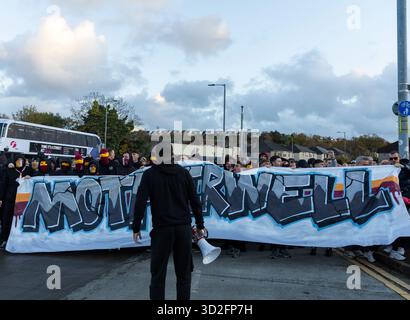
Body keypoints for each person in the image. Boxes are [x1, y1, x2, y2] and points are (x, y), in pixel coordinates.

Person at [132, 152, 205, 301]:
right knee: (184, 273)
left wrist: (136, 226)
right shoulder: (184, 173)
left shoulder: (150, 174)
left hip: (162, 229)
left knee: (158, 274)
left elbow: (140, 201)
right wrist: (199, 224)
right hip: (183, 228)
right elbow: (195, 201)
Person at [0, 154, 32, 248]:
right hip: (9, 199)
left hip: (23, 200)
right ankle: (4, 239)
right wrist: (1, 198)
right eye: (17, 160)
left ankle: (20, 238)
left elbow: (38, 175)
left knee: (20, 220)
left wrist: (30, 177)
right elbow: (3, 184)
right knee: (6, 219)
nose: (19, 162)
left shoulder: (28, 170)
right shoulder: (9, 170)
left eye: (21, 160)